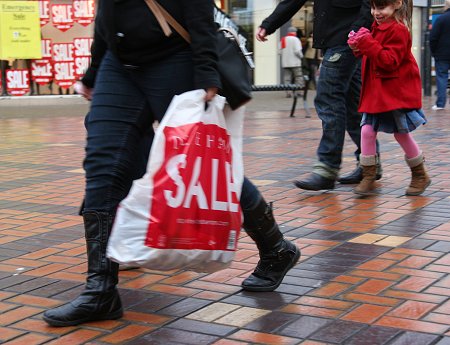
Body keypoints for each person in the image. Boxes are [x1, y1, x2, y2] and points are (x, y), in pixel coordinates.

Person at [42, 0, 300, 327]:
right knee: (102, 165)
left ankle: (276, 248)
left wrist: (206, 69)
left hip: (175, 58)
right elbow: (108, 9)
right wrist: (95, 69)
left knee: (201, 168)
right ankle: (100, 291)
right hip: (119, 65)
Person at [256, 0, 382, 190]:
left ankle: (327, 168)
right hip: (341, 39)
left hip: (347, 38)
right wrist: (269, 24)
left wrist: (356, 31)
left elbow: (368, 2)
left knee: (329, 99)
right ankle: (369, 163)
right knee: (352, 105)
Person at [348, 0, 430, 196]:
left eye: (381, 7)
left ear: (396, 4)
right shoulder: (375, 27)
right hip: (376, 94)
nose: (376, 12)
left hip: (392, 94)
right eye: (374, 7)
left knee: (401, 133)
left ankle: (420, 174)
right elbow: (372, 56)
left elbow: (389, 61)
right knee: (367, 131)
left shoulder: (399, 30)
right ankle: (369, 175)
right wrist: (358, 47)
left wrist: (366, 43)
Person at [430, 0, 450, 111]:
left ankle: (440, 104)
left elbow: (433, 37)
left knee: (442, 78)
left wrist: (434, 52)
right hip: (442, 53)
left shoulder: (441, 19)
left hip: (442, 54)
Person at [280, 26, 304, 98]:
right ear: (294, 32)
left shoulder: (283, 39)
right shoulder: (295, 39)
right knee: (298, 77)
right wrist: (302, 57)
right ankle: (298, 92)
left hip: (286, 63)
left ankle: (288, 92)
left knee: (287, 78)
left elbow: (279, 52)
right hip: (295, 63)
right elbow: (297, 51)